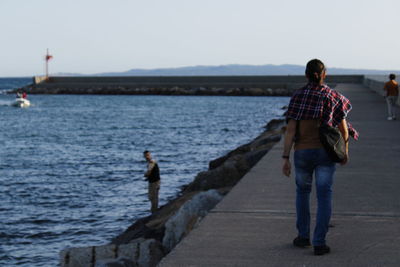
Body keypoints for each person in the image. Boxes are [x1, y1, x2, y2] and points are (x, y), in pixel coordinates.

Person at [282, 59, 358, 256]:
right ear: (324, 74)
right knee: (324, 196)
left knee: (302, 193)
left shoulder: (298, 95)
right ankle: (319, 242)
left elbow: (290, 130)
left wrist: (285, 158)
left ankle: (303, 236)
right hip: (325, 153)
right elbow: (343, 129)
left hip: (302, 153)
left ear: (306, 75)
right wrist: (345, 151)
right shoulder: (333, 96)